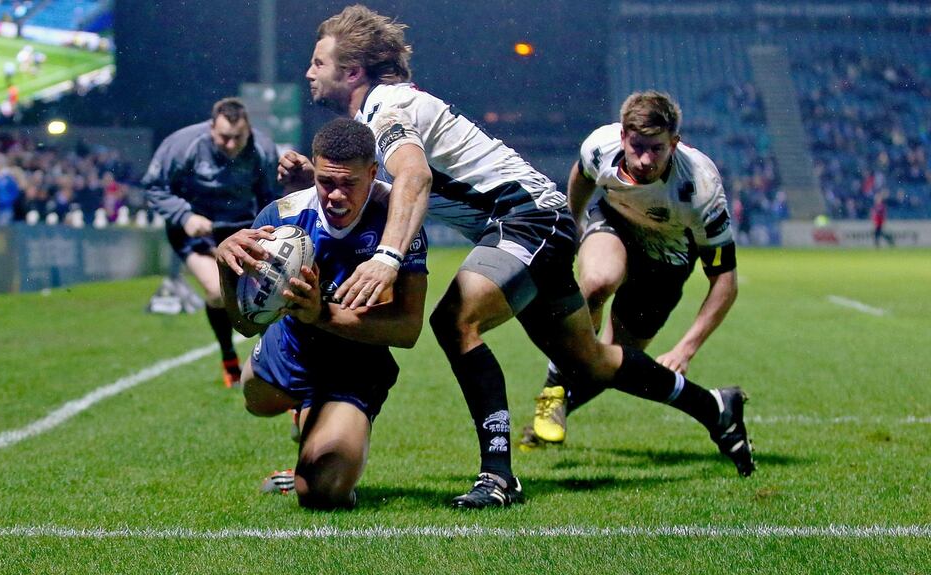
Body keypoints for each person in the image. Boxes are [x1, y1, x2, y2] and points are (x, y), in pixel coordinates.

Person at [281, 6, 753, 508]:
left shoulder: (385, 108)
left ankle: (498, 476)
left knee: (455, 321)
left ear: (352, 71)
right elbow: (403, 184)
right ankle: (714, 407)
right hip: (532, 221)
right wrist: (318, 182)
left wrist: (387, 256)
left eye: (318, 62)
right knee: (588, 362)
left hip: (526, 219)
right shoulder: (382, 111)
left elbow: (415, 178)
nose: (309, 72)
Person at [520, 92, 746, 466]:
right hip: (615, 224)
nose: (645, 160)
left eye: (657, 149)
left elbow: (725, 280)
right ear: (623, 136)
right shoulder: (600, 146)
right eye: (637, 146)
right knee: (598, 282)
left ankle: (558, 408)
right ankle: (553, 390)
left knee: (613, 364)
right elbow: (582, 174)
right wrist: (572, 224)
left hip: (666, 262)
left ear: (675, 142)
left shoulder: (700, 187)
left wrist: (685, 349)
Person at [215, 117, 429, 509]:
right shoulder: (280, 216)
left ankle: (327, 432)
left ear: (373, 173)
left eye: (349, 183)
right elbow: (245, 325)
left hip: (355, 366)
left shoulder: (395, 222)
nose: (336, 196)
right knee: (255, 400)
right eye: (326, 181)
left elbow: (408, 329)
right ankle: (309, 416)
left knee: (321, 493)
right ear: (314, 168)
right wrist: (225, 266)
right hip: (292, 349)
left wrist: (320, 314)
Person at [143, 97, 282, 387]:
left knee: (267, 294)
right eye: (224, 137)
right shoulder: (182, 145)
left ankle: (275, 366)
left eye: (238, 137)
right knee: (218, 293)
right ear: (211, 128)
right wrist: (184, 216)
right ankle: (228, 356)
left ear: (249, 130)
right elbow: (154, 187)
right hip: (197, 234)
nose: (231, 145)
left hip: (243, 230)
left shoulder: (264, 149)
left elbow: (269, 197)